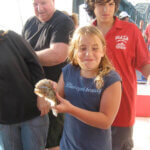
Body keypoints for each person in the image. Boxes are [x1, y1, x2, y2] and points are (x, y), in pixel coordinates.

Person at [85, 0, 150, 150]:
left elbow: (145, 64)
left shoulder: (131, 30)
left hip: (123, 109)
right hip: (90, 109)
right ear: (92, 6)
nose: (106, 9)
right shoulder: (85, 32)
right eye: (101, 4)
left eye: (110, 4)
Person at [50, 25, 122, 150]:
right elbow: (58, 100)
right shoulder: (68, 71)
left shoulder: (111, 79)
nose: (89, 54)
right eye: (82, 48)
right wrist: (50, 93)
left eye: (95, 48)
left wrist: (71, 109)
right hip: (68, 146)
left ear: (103, 51)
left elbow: (105, 121)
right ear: (74, 51)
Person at [22, 0, 75, 149]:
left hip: (54, 94)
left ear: (53, 1)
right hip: (30, 94)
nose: (39, 8)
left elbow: (57, 55)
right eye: (35, 4)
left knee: (53, 143)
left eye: (43, 3)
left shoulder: (63, 22)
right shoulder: (29, 23)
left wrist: (25, 57)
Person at [0, 30, 49, 150]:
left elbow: (35, 65)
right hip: (5, 121)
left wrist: (41, 95)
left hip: (33, 113)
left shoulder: (10, 37)